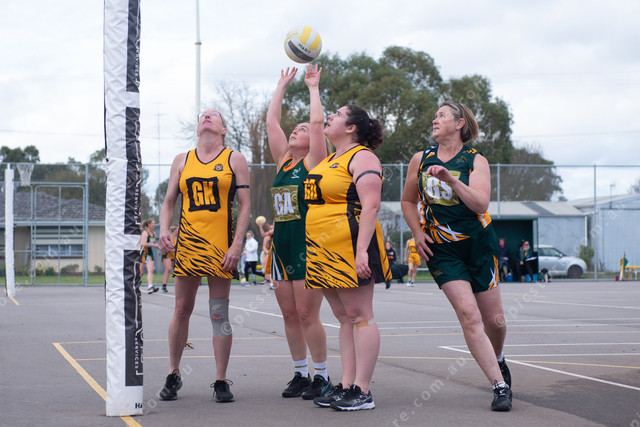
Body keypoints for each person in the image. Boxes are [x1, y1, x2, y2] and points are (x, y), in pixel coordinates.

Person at [400, 101, 512, 411]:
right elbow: (408, 201)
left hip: (478, 246)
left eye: (441, 115)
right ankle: (499, 385)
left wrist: (451, 179)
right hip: (442, 249)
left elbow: (480, 204)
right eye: (434, 115)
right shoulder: (420, 159)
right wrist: (417, 232)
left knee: (496, 321)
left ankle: (499, 357)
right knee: (468, 314)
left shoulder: (475, 160)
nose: (434, 119)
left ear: (460, 123)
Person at [157, 109, 250, 403]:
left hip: (221, 247)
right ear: (198, 128)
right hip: (188, 245)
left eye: (214, 115)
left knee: (218, 312)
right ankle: (173, 373)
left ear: (223, 129)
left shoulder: (234, 159)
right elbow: (169, 201)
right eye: (203, 116)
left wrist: (237, 244)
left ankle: (221, 379)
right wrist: (163, 230)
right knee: (181, 309)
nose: (207, 117)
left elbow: (245, 205)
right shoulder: (182, 160)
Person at [304, 94, 391, 410]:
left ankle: (363, 390)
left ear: (351, 127)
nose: (330, 116)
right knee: (343, 318)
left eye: (338, 114)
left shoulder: (363, 157)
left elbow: (371, 205)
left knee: (360, 315)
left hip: (350, 246)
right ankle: (345, 385)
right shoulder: (328, 160)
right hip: (323, 250)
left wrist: (362, 251)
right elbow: (316, 123)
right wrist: (313, 87)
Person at [265, 65, 332, 400]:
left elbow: (317, 123)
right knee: (289, 314)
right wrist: (281, 86)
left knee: (308, 314)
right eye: (295, 128)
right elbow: (271, 122)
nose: (296, 130)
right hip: (282, 248)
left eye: (301, 129)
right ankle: (300, 373)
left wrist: (312, 87)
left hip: (308, 247)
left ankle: (322, 376)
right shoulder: (284, 162)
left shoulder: (314, 161)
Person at [140, 218, 159, 294]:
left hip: (149, 253)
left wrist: (161, 247)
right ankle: (133, 285)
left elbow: (155, 244)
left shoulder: (153, 233)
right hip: (143, 252)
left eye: (154, 223)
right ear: (149, 224)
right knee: (141, 272)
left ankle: (150, 287)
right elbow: (143, 243)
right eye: (153, 223)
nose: (154, 225)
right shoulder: (145, 233)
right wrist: (154, 245)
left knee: (150, 270)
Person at [160, 225, 179, 293]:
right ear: (174, 230)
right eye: (178, 229)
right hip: (167, 255)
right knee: (168, 269)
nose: (179, 230)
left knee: (177, 271)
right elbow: (167, 247)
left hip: (174, 256)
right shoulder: (170, 237)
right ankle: (164, 286)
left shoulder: (179, 238)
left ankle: (179, 286)